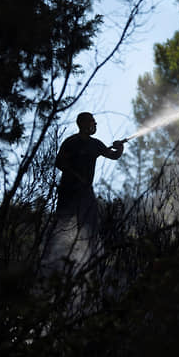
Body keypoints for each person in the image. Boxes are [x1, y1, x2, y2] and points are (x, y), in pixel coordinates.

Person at [45, 112, 125, 272]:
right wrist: (76, 176)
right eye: (92, 122)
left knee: (91, 224)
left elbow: (113, 155)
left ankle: (91, 260)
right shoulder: (71, 142)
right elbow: (59, 162)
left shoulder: (95, 144)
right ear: (83, 124)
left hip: (86, 192)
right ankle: (49, 259)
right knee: (61, 223)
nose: (94, 125)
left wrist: (120, 148)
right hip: (69, 190)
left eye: (95, 123)